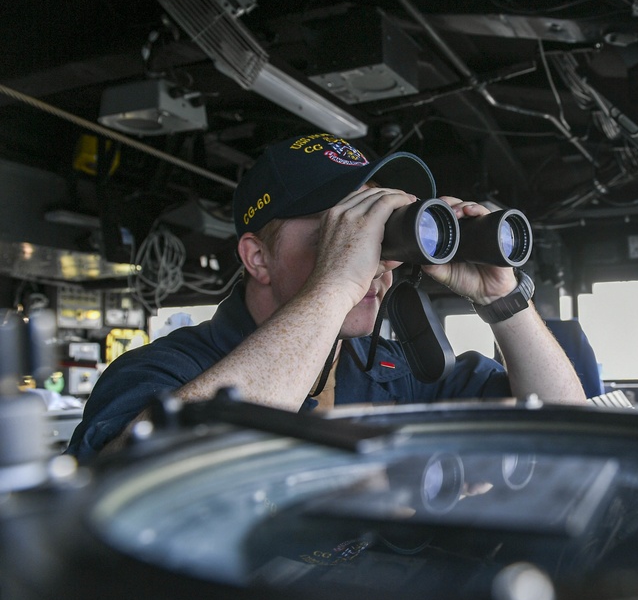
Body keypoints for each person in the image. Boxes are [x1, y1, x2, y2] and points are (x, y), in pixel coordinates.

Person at [67, 133, 586, 461]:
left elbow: (569, 432)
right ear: (257, 258)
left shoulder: (394, 370)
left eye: (380, 235)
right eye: (343, 231)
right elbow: (123, 479)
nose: (375, 261)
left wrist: (504, 300)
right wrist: (336, 284)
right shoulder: (166, 371)